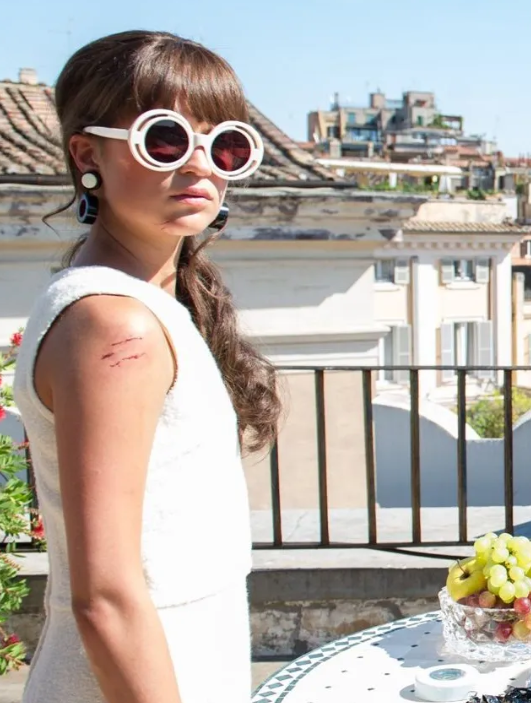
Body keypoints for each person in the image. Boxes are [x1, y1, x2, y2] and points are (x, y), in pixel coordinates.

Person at [11, 30, 278, 703]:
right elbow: (104, 595)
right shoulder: (114, 322)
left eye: (225, 146)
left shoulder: (139, 301)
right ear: (86, 154)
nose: (199, 167)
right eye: (164, 139)